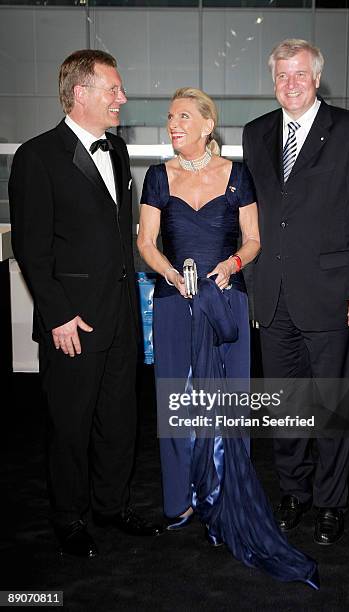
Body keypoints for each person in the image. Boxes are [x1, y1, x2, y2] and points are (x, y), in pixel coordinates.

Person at [137, 87, 319, 587]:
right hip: (175, 303)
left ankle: (219, 496)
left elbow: (255, 238)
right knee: (177, 400)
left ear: (205, 126)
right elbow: (145, 242)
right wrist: (171, 274)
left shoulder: (238, 175)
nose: (172, 124)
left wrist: (232, 264)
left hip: (226, 303)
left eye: (182, 117)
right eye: (170, 117)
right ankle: (181, 502)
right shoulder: (158, 176)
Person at [9, 49, 163, 558]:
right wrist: (56, 315)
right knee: (70, 424)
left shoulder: (116, 151)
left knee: (119, 419)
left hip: (119, 314)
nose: (122, 97)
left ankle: (111, 506)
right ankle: (69, 517)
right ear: (81, 94)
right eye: (112, 89)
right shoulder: (37, 156)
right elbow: (32, 249)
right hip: (71, 319)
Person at [243, 39, 349, 545]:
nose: (291, 84)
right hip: (273, 298)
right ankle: (294, 493)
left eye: (300, 74)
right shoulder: (256, 133)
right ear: (273, 80)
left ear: (316, 78)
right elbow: (253, 216)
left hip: (331, 296)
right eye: (282, 75)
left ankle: (329, 502)